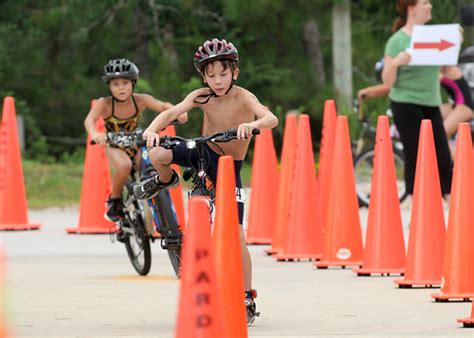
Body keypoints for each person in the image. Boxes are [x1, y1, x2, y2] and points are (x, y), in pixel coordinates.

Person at [132, 38, 279, 324]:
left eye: (223, 73)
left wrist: (251, 125)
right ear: (203, 76)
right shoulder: (202, 96)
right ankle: (166, 179)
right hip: (204, 149)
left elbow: (270, 118)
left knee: (237, 233)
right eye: (210, 75)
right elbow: (172, 113)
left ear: (234, 72)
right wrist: (151, 129)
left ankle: (246, 294)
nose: (217, 80)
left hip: (227, 165)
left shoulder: (244, 97)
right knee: (157, 152)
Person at [84, 58, 187, 222]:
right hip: (114, 145)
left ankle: (160, 210)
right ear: (109, 86)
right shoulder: (105, 103)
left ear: (133, 82)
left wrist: (178, 111)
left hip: (136, 143)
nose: (121, 88)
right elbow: (89, 121)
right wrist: (95, 133)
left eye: (125, 83)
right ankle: (115, 201)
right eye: (115, 84)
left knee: (151, 165)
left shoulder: (141, 100)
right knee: (124, 166)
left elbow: (162, 106)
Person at [381, 0, 453, 198]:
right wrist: (395, 63)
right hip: (405, 102)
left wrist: (454, 44)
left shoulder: (435, 37)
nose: (430, 6)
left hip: (431, 102)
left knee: (442, 155)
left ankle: (448, 200)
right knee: (415, 153)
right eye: (425, 2)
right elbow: (388, 82)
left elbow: (447, 70)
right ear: (411, 8)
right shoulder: (396, 41)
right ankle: (414, 201)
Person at [439, 65, 473, 139]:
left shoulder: (449, 69)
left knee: (441, 136)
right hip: (456, 105)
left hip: (464, 107)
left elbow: (426, 81)